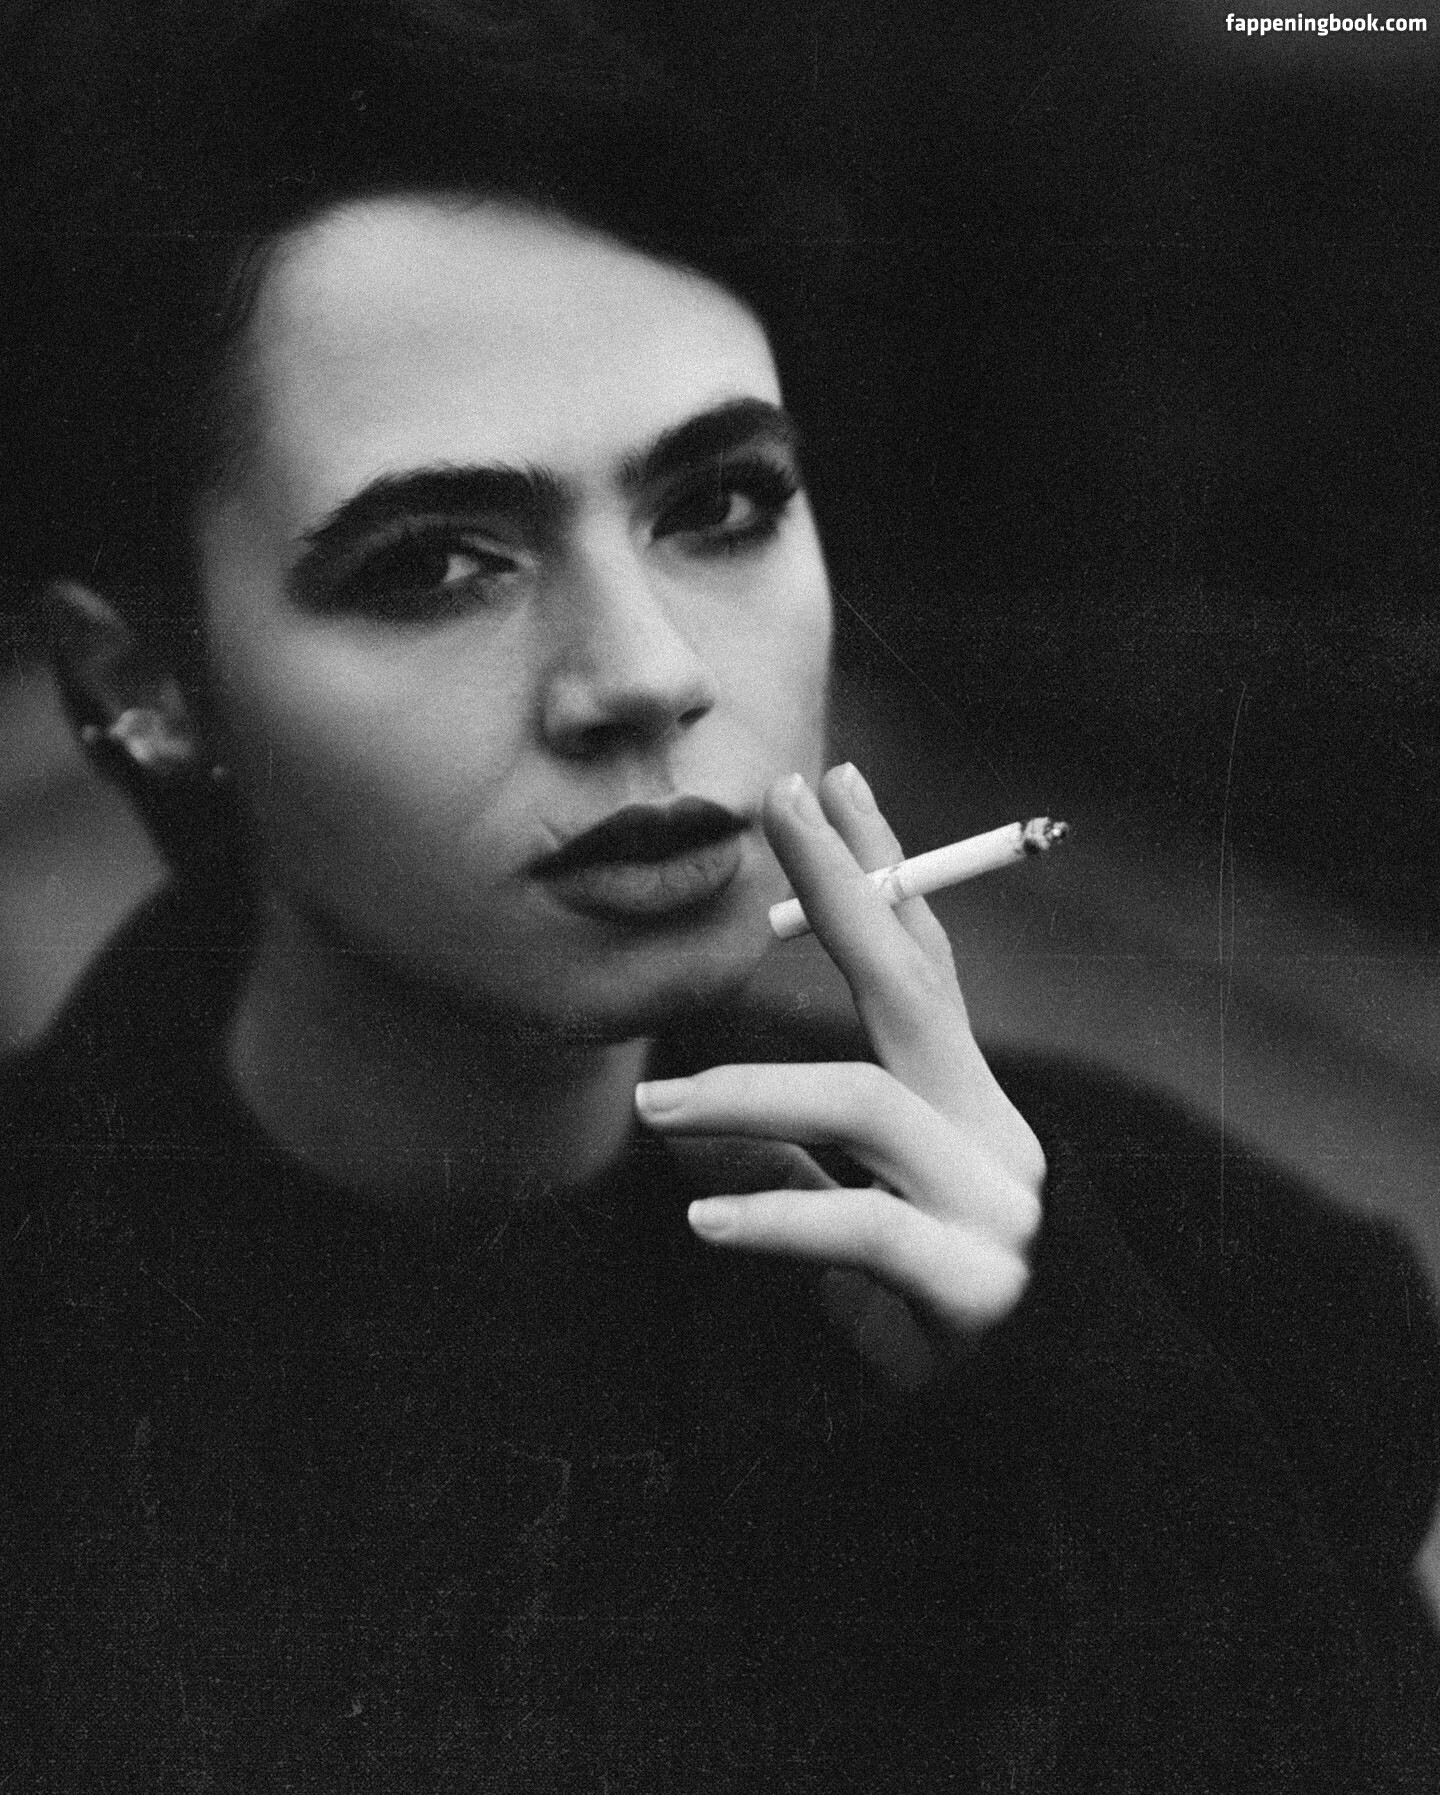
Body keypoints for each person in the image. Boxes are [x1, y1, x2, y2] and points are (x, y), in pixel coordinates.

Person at [2, 3, 1436, 1787]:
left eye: (722, 504)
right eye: (434, 562)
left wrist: (1094, 1465)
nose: (647, 674)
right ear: (140, 685)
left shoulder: (1218, 1291)